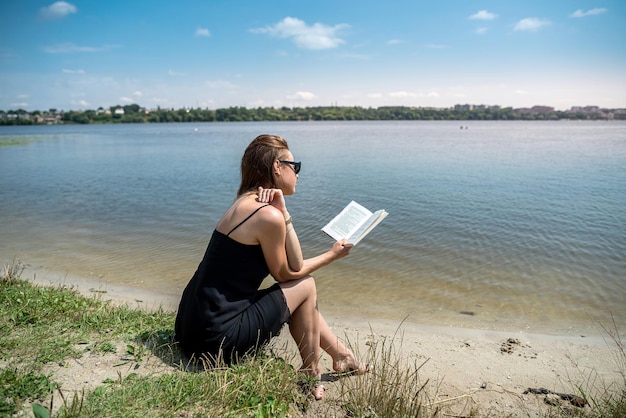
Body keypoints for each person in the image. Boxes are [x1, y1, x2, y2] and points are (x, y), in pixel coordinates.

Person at [174, 134, 370, 400]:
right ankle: (311, 372)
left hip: (190, 330)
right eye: (295, 165)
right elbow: (289, 272)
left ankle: (342, 355)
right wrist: (332, 255)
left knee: (299, 291)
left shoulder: (246, 202)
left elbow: (294, 264)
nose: (298, 174)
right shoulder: (266, 215)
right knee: (306, 285)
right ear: (277, 167)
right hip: (214, 343)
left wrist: (284, 213)